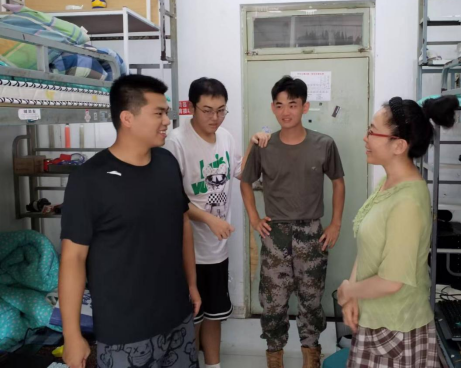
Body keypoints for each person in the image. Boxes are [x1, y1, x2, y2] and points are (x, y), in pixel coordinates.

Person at [59, 75, 201, 369]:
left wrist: (192, 283)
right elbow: (73, 258)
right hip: (125, 333)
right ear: (127, 118)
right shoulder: (89, 180)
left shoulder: (167, 163)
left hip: (178, 318)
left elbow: (183, 224)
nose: (167, 121)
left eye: (166, 112)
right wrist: (72, 336)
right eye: (158, 113)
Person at [338, 95, 459, 369]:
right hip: (375, 321)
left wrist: (348, 290)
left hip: (396, 332)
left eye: (372, 131)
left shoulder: (408, 202)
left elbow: (391, 281)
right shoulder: (388, 183)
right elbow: (368, 246)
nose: (365, 138)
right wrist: (354, 294)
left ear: (399, 145)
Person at [241, 76, 346, 369]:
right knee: (273, 302)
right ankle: (274, 356)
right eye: (279, 105)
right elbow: (245, 181)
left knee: (311, 300)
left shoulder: (323, 144)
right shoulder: (264, 145)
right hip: (275, 234)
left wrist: (335, 223)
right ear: (272, 108)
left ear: (304, 107)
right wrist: (254, 218)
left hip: (311, 232)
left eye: (292, 104)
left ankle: (311, 356)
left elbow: (338, 182)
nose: (285, 111)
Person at [165, 77, 270, 369]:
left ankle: (214, 365)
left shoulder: (225, 137)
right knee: (192, 318)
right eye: (208, 110)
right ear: (191, 108)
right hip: (188, 251)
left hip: (217, 249)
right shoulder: (176, 142)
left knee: (215, 315)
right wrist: (210, 219)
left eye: (221, 110)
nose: (215, 118)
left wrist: (253, 145)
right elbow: (172, 200)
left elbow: (240, 172)